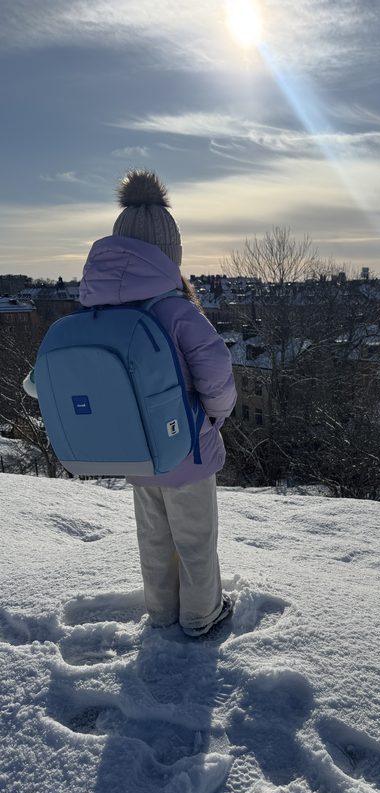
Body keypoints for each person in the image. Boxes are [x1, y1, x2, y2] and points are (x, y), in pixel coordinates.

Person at [26, 170, 237, 637]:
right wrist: (215, 416)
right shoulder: (176, 311)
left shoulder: (93, 314)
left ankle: (161, 613)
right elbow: (217, 374)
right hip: (187, 450)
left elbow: (41, 385)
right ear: (169, 255)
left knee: (154, 541)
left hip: (135, 453)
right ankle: (201, 616)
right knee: (196, 541)